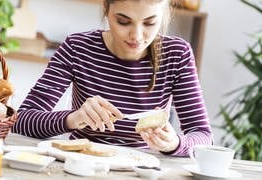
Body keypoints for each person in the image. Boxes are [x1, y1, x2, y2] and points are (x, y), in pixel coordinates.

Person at [12, 0, 213, 156]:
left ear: (164, 15)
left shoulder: (177, 54)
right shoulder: (77, 48)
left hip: (142, 168)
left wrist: (175, 144)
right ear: (106, 9)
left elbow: (203, 136)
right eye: (123, 21)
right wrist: (73, 118)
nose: (137, 35)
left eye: (150, 23)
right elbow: (20, 119)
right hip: (81, 163)